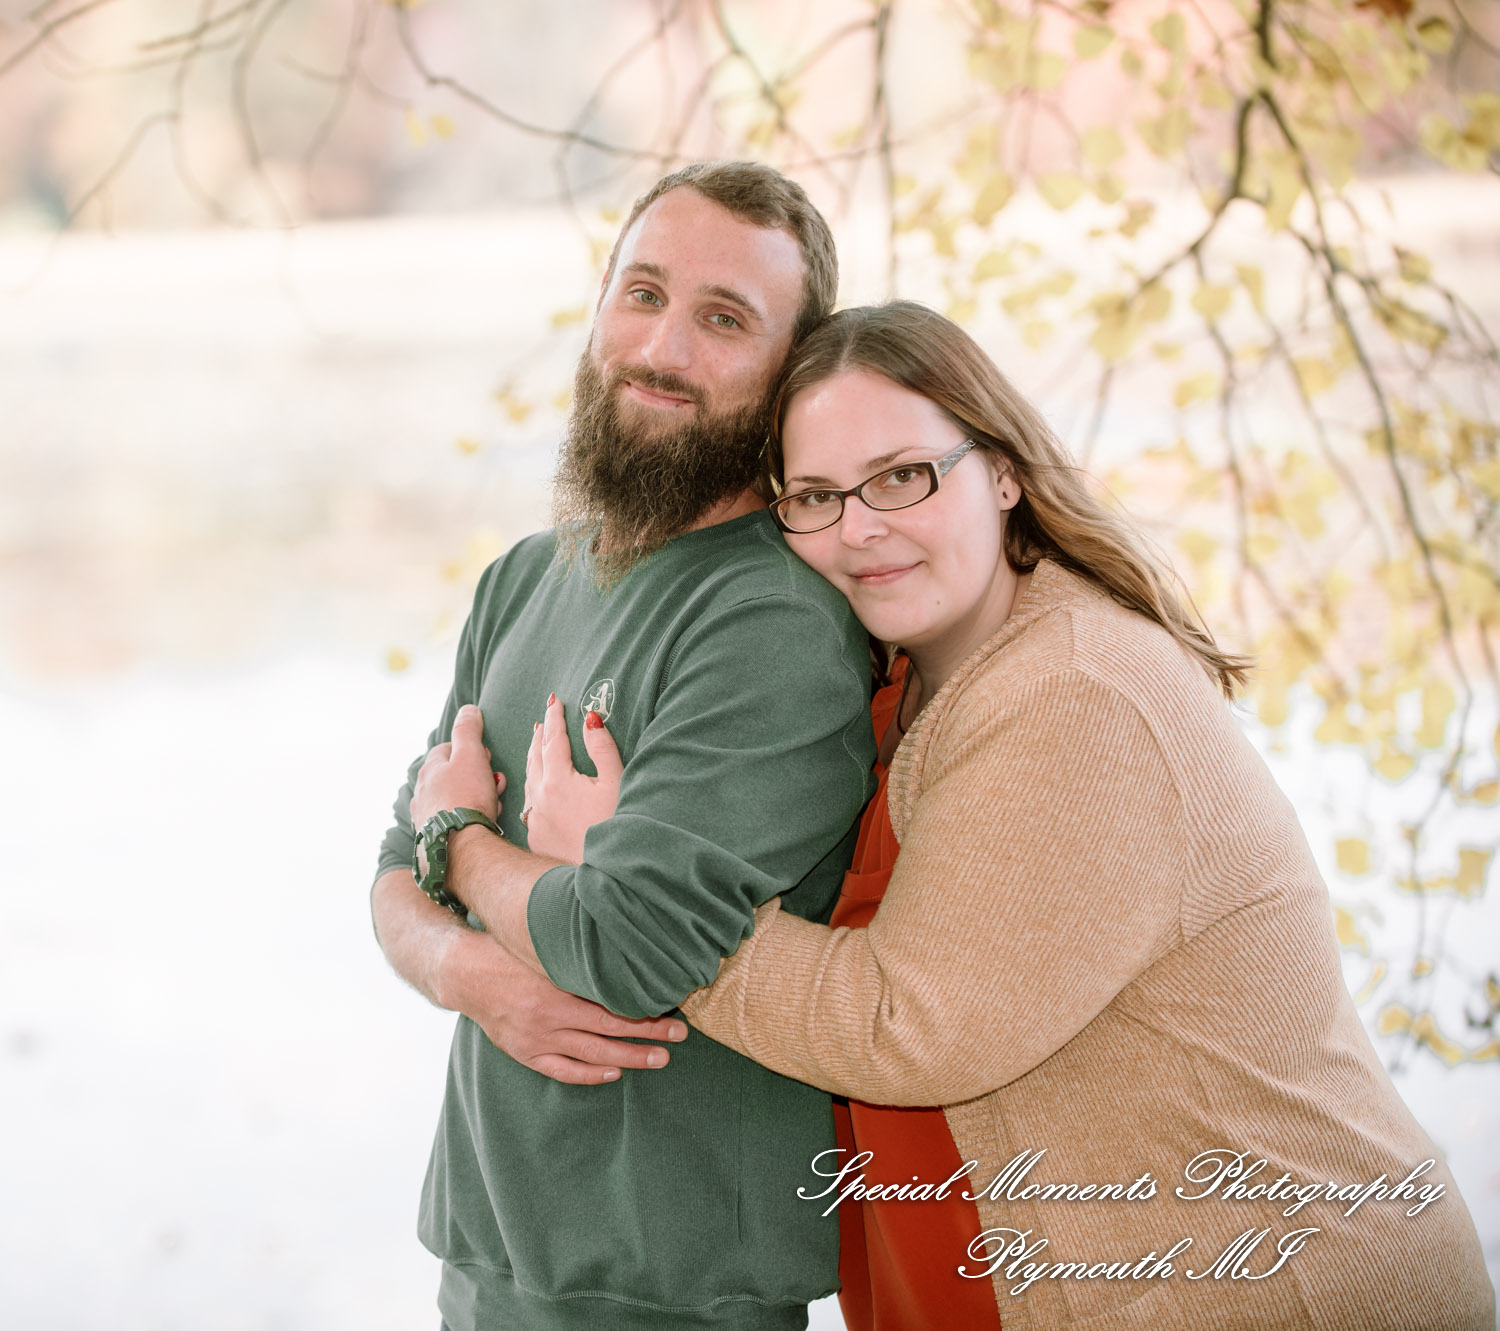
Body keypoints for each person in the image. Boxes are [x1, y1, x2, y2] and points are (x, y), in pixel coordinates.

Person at [520, 301, 1496, 1329]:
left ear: (1001, 470)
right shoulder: (909, 680)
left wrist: (635, 887)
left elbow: (908, 1026)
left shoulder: (1076, 696)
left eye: (902, 475)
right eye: (816, 494)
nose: (860, 525)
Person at [369, 161, 877, 1331]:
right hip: (486, 1251)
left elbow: (629, 945)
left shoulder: (772, 624)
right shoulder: (524, 577)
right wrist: (476, 977)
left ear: (788, 372)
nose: (663, 346)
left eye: (722, 318)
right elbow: (392, 880)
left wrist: (466, 842)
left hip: (672, 1280)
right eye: (641, 293)